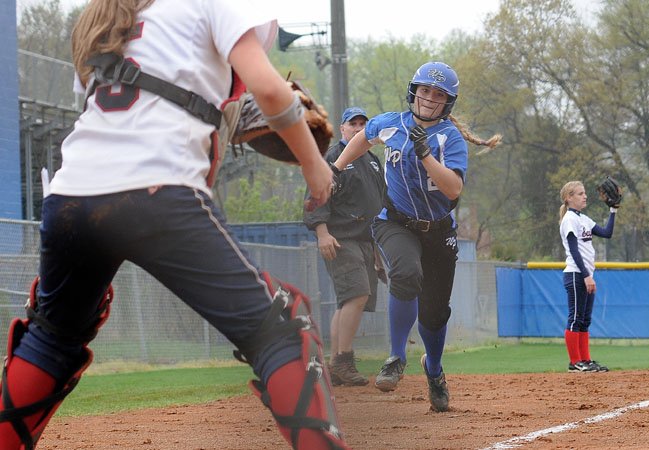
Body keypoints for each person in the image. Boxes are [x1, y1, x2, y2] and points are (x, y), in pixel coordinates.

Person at [0, 1, 350, 449]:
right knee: (281, 331)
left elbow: (134, 102)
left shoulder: (104, 19)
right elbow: (269, 89)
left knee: (50, 339)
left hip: (71, 198)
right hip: (155, 190)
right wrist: (313, 163)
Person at [331, 62, 501, 412]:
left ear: (447, 102)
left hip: (439, 231)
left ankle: (434, 370)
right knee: (406, 274)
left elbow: (453, 189)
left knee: (435, 314)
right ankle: (395, 357)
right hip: (395, 222)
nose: (429, 98)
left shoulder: (449, 138)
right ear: (414, 92)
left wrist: (424, 154)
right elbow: (363, 139)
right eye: (424, 90)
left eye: (438, 94)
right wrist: (335, 169)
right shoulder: (391, 123)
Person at [303, 106, 386, 387]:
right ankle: (343, 361)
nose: (359, 127)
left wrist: (378, 255)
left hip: (365, 240)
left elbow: (377, 209)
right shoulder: (333, 158)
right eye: (354, 123)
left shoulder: (373, 161)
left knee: (349, 300)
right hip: (340, 236)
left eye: (364, 123)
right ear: (343, 129)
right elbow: (315, 194)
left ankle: (336, 364)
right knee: (358, 294)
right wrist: (322, 232)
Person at [559, 181, 617, 373]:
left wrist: (613, 210)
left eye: (584, 193)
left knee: (585, 320)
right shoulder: (569, 219)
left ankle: (585, 360)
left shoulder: (583, 218)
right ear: (569, 197)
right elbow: (574, 250)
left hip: (585, 275)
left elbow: (607, 233)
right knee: (575, 318)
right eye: (580, 193)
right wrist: (586, 276)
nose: (585, 196)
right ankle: (575, 362)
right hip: (576, 274)